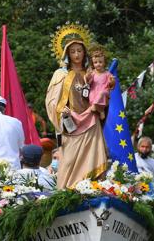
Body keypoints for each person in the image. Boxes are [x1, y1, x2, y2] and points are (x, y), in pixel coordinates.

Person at [45, 25, 108, 189]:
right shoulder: (61, 74)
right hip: (71, 123)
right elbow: (51, 100)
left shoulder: (92, 73)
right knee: (69, 160)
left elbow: (103, 91)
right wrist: (60, 110)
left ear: (84, 52)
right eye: (73, 51)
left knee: (94, 157)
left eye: (79, 51)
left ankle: (93, 189)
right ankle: (67, 190)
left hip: (91, 120)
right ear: (67, 54)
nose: (76, 55)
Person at [85, 43, 115, 120]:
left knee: (102, 94)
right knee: (92, 96)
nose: (98, 64)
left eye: (100, 62)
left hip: (103, 93)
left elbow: (111, 85)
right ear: (93, 63)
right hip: (94, 91)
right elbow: (88, 82)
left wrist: (112, 81)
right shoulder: (93, 73)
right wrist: (87, 77)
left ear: (104, 62)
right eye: (95, 62)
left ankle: (97, 107)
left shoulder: (107, 73)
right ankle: (101, 111)